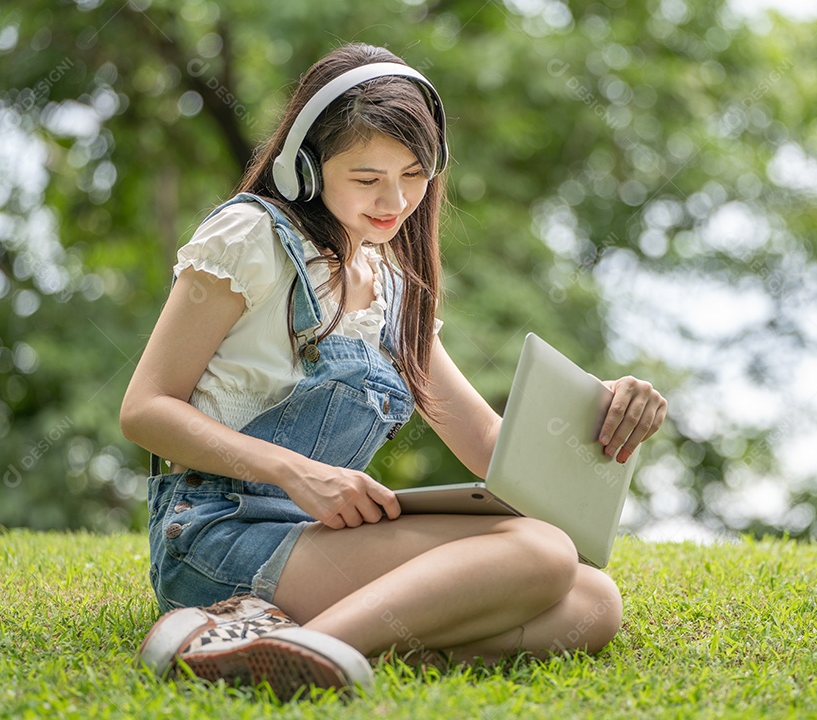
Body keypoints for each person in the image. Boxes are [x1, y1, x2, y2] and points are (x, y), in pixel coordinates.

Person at [121, 42, 668, 701]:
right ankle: (288, 647)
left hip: (316, 540)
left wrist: (601, 411)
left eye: (414, 174)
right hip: (217, 533)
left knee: (593, 603)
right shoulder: (249, 238)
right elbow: (145, 409)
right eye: (367, 178)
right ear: (305, 168)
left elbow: (490, 446)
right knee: (543, 552)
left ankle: (274, 642)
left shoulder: (393, 290)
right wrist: (296, 473)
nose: (396, 200)